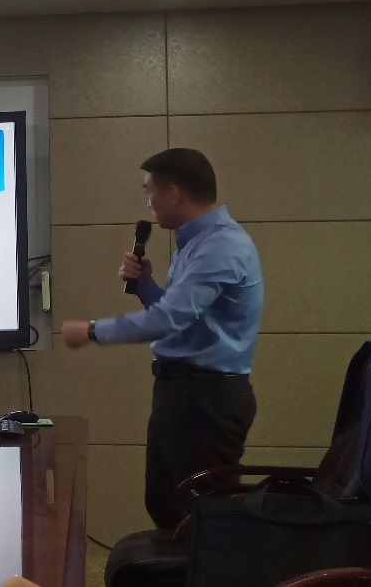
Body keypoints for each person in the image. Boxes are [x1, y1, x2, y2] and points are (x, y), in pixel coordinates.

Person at [60, 148, 264, 531]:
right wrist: (145, 286)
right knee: (165, 502)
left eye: (149, 191)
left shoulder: (221, 246)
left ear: (172, 193)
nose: (148, 203)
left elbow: (166, 320)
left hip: (206, 399)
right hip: (183, 393)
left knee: (208, 518)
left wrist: (90, 330)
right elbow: (182, 321)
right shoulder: (195, 243)